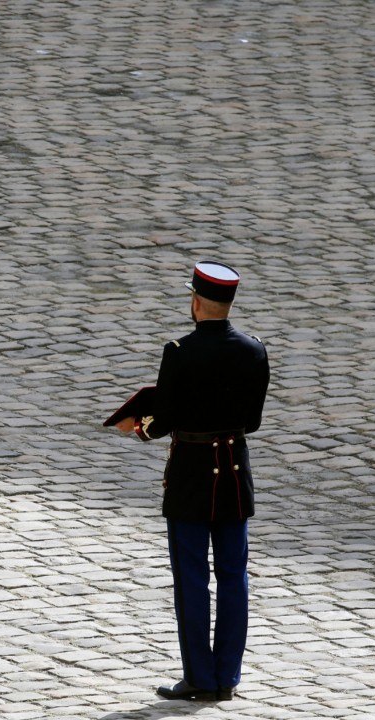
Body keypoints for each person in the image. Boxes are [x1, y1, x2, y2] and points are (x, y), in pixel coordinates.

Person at [113, 261, 269, 702]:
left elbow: (163, 420)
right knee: (234, 576)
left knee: (192, 577)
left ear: (197, 302)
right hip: (233, 473)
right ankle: (227, 677)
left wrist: (137, 426)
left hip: (191, 475)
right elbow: (252, 422)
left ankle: (199, 676)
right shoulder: (254, 350)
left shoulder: (179, 351)